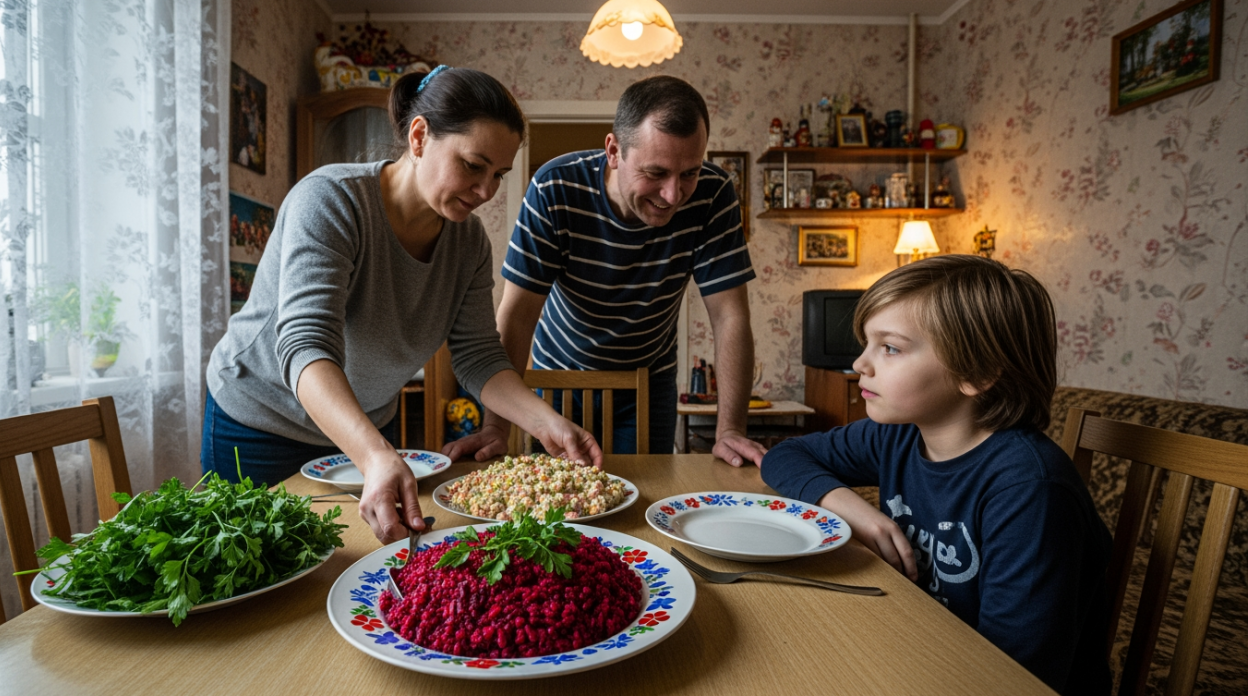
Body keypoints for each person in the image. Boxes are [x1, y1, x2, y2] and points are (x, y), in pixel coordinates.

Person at [203, 66, 602, 544]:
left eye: (499, 174)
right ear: (419, 137)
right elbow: (306, 344)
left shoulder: (469, 243)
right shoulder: (330, 200)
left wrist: (547, 422)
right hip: (260, 423)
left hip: (368, 427)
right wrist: (373, 455)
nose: (486, 192)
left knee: (357, 568)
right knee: (260, 580)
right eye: (473, 165)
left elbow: (478, 355)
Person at [760, 255, 1112, 696]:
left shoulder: (1029, 490)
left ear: (977, 372)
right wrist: (849, 507)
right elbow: (784, 456)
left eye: (889, 347)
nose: (860, 363)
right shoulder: (899, 436)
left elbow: (1014, 675)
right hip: (921, 644)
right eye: (867, 343)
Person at [445, 76, 768, 466]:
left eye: (688, 173)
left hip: (649, 377)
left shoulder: (714, 193)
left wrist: (730, 430)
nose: (673, 195)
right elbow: (517, 316)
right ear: (614, 151)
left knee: (643, 500)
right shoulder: (553, 187)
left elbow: (730, 315)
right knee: (557, 503)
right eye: (655, 172)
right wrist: (495, 428)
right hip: (557, 378)